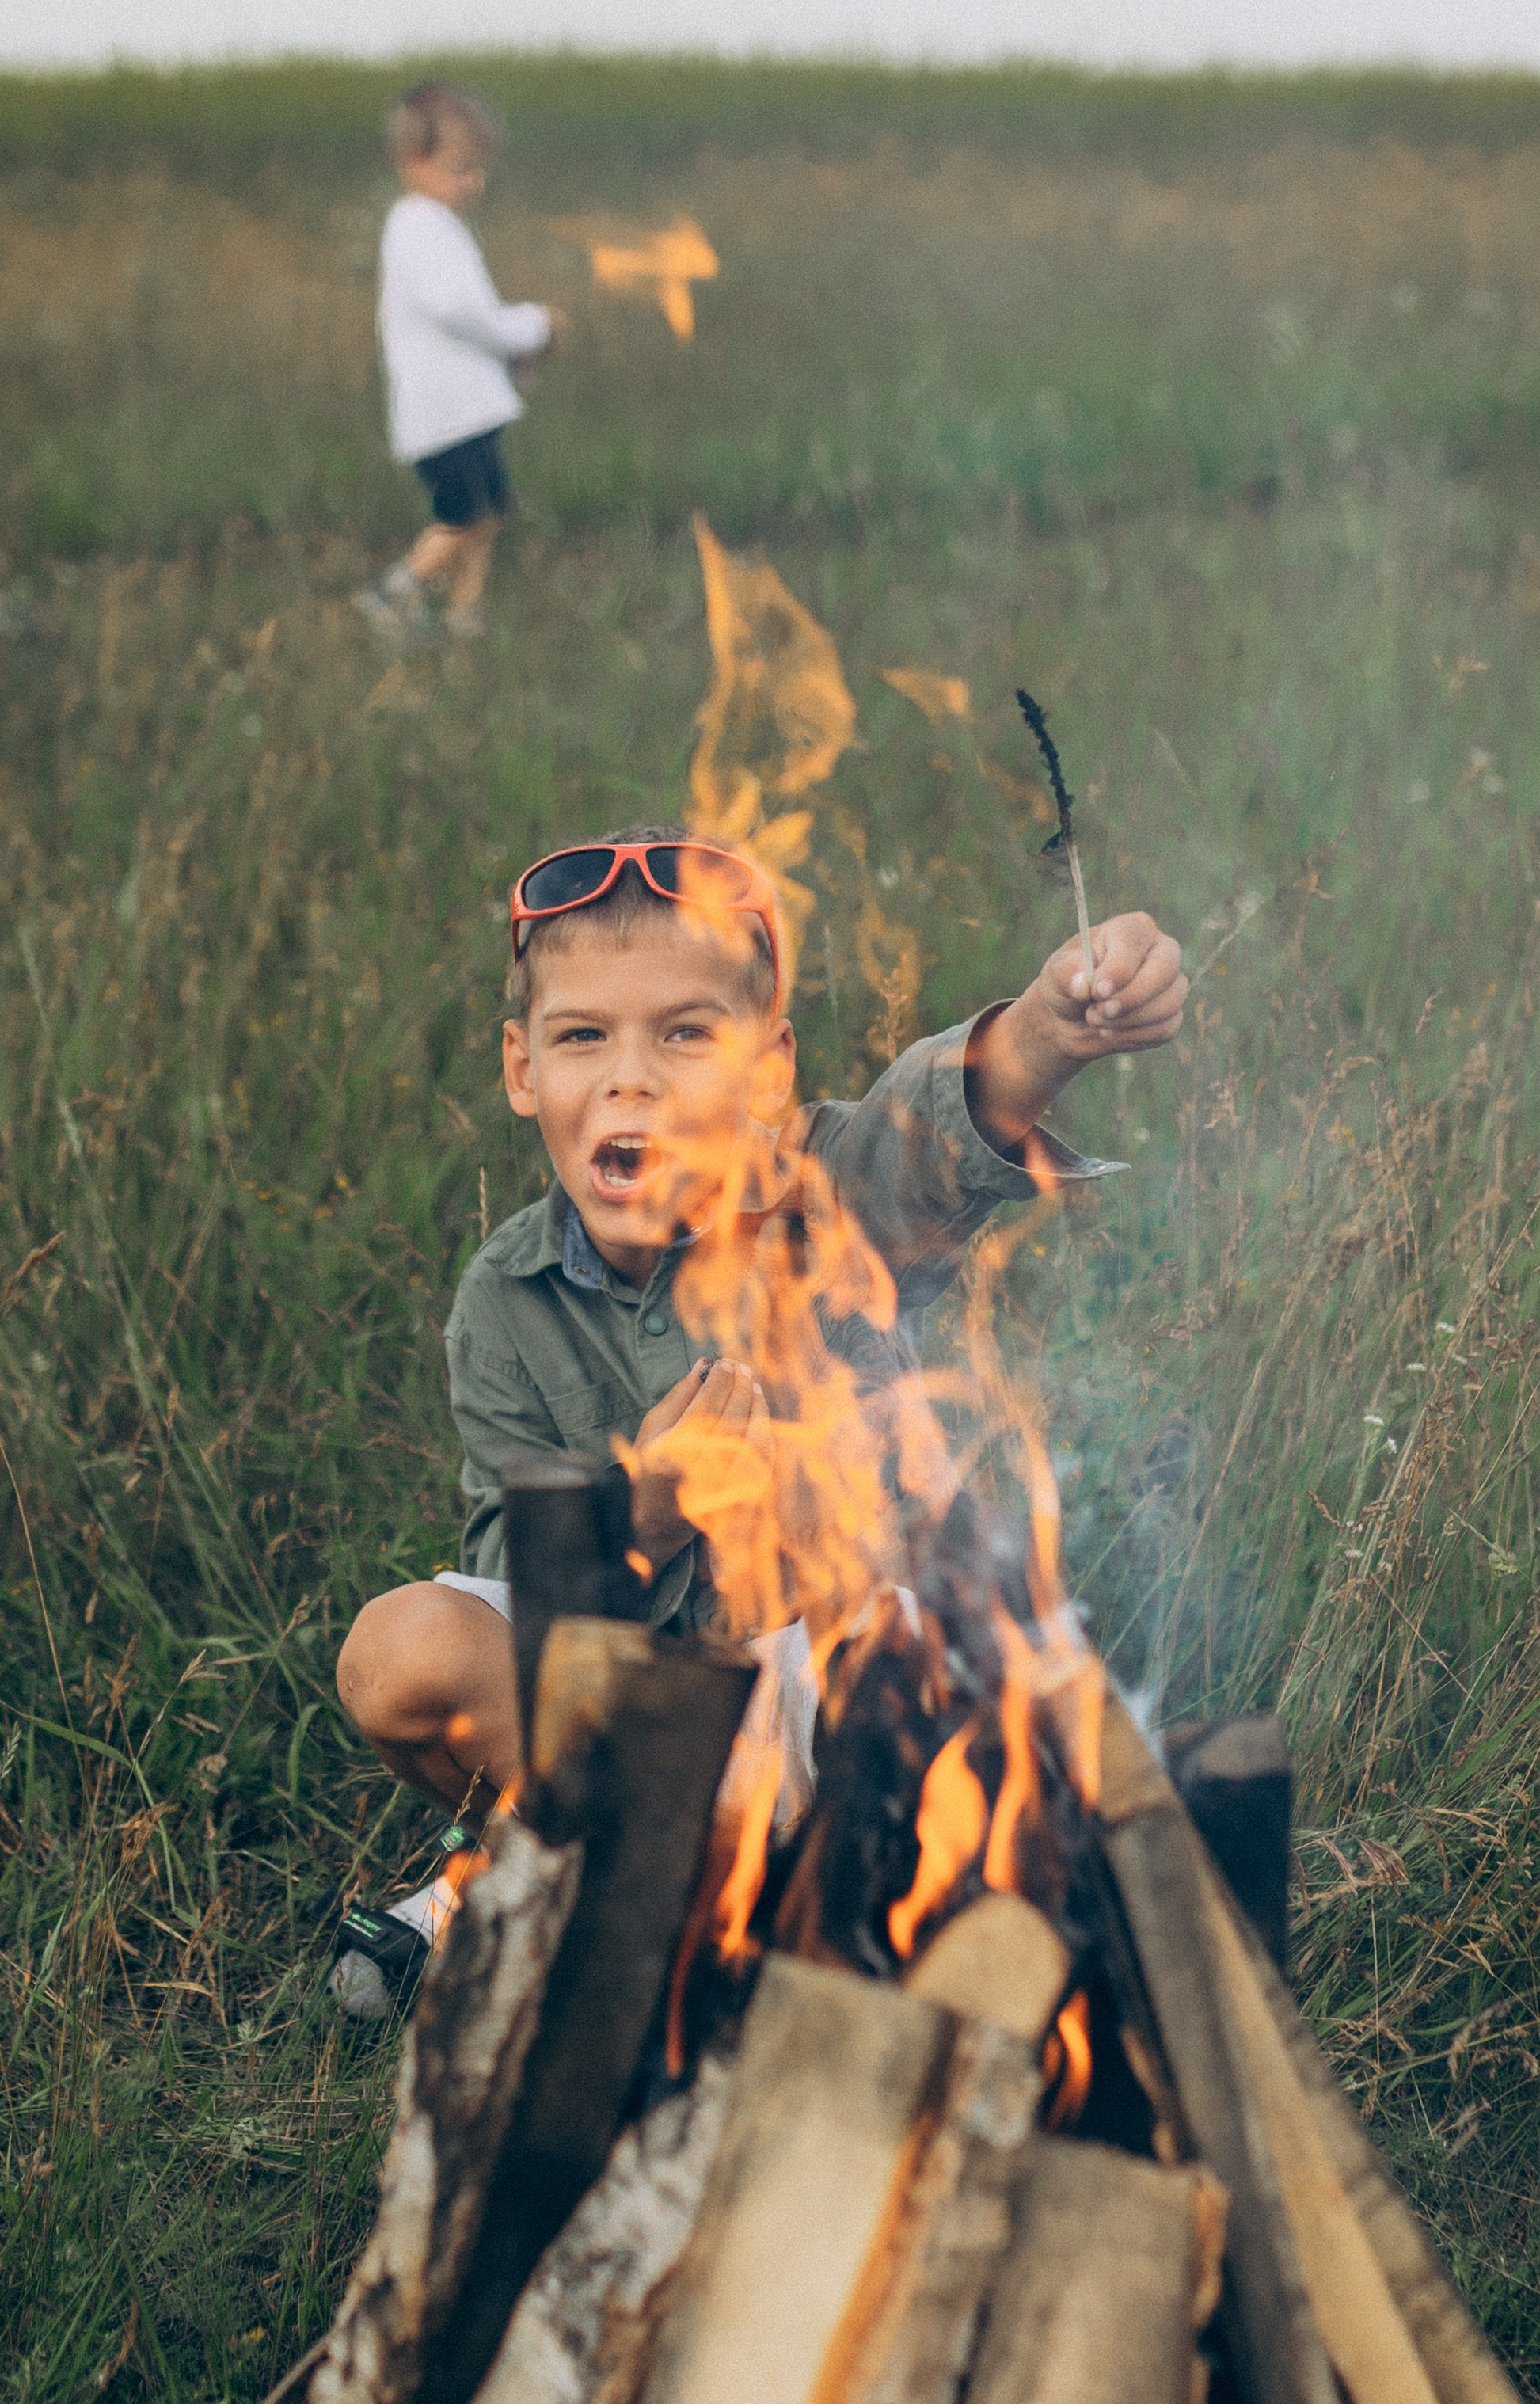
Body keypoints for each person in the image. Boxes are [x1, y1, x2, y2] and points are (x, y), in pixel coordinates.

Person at [329, 823, 1187, 2011]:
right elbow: (518, 1576)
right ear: (525, 1070)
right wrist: (650, 1502)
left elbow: (936, 1138)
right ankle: (615, 1867)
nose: (633, 1077)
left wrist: (1046, 1028)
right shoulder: (503, 1298)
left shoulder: (827, 1192)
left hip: (842, 1710)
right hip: (636, 1715)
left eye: (687, 1033)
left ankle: (724, 1906)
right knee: (400, 1650)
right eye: (585, 1036)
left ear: (766, 1067)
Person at [355, 82, 557, 641]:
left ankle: (464, 614)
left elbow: (470, 317)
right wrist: (532, 327)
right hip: (443, 413)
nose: (474, 182)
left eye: (478, 169)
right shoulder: (417, 227)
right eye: (459, 169)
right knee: (462, 517)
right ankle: (396, 594)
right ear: (412, 162)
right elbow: (460, 312)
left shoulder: (438, 225)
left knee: (487, 515)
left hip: (469, 408)